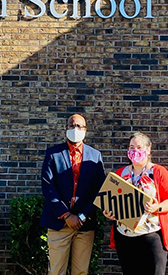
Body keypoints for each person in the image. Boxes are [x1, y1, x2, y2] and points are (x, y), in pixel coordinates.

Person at [103, 132, 168, 275]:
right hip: (125, 238)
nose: (135, 151)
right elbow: (112, 202)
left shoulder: (159, 172)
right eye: (132, 147)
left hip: (151, 236)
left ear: (148, 149)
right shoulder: (120, 173)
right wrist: (110, 213)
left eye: (139, 147)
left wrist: (158, 207)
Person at [40, 114, 106, 275]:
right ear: (66, 129)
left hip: (85, 225)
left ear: (85, 130)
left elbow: (100, 190)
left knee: (81, 271)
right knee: (56, 271)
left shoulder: (95, 156)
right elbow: (47, 186)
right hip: (59, 223)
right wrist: (66, 215)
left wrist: (83, 216)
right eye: (72, 125)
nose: (75, 129)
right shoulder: (53, 154)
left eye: (79, 126)